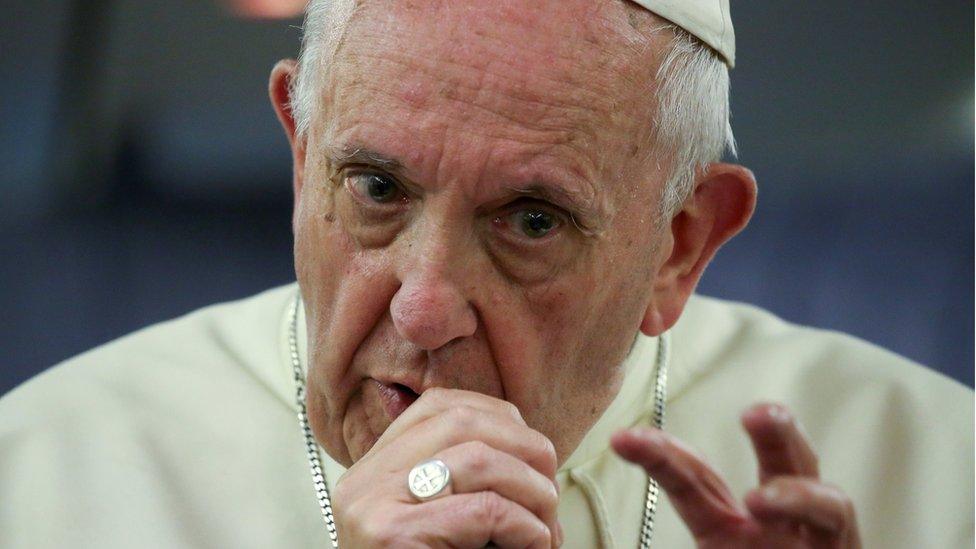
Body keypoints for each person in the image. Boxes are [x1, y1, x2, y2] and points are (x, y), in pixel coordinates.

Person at [0, 0, 971, 547]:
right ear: (302, 156)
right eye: (376, 187)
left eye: (532, 220)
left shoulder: (936, 475)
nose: (423, 308)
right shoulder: (40, 477)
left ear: (679, 245)